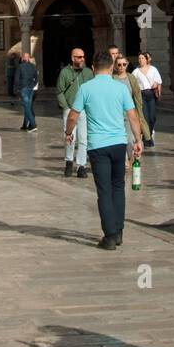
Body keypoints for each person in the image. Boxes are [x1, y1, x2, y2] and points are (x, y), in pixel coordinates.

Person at [67, 51, 143, 250]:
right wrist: (138, 139)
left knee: (104, 191)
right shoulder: (120, 88)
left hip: (98, 147)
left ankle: (109, 236)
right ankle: (118, 232)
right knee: (118, 187)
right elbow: (133, 116)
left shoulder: (85, 88)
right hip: (119, 144)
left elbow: (73, 115)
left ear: (92, 68)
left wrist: (68, 133)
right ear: (111, 67)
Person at [56, 47, 94, 179]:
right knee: (70, 138)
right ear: (73, 58)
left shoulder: (88, 72)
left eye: (83, 56)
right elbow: (60, 91)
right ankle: (68, 161)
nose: (82, 59)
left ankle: (81, 166)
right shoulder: (65, 73)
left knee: (83, 139)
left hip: (84, 110)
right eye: (79, 57)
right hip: (70, 110)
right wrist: (65, 107)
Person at [15, 52, 39, 132]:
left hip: (23, 88)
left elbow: (16, 79)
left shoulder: (20, 67)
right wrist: (33, 85)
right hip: (30, 89)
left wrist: (18, 89)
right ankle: (25, 125)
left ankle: (33, 124)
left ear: (22, 58)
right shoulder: (33, 66)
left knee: (27, 107)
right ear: (28, 58)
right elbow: (36, 78)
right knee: (28, 106)